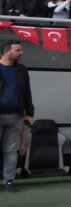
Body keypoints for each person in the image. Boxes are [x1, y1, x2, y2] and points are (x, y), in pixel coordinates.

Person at [0, 41, 34, 192]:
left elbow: (27, 92)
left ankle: (8, 181)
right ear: (7, 51)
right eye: (18, 50)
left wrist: (30, 113)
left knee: (10, 150)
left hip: (16, 116)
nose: (21, 53)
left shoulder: (22, 70)